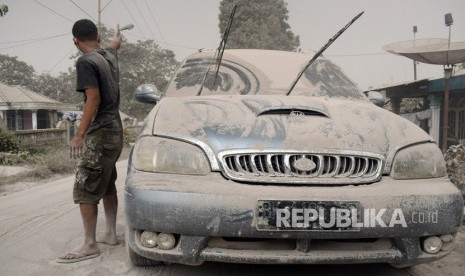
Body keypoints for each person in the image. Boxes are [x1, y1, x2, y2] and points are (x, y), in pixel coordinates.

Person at [57, 19, 123, 263]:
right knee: (107, 183)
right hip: (116, 132)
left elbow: (92, 98)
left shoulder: (85, 61)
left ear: (75, 41)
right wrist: (116, 38)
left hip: (100, 132)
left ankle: (89, 244)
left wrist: (79, 135)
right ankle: (111, 234)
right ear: (97, 38)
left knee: (85, 186)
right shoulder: (109, 56)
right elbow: (115, 45)